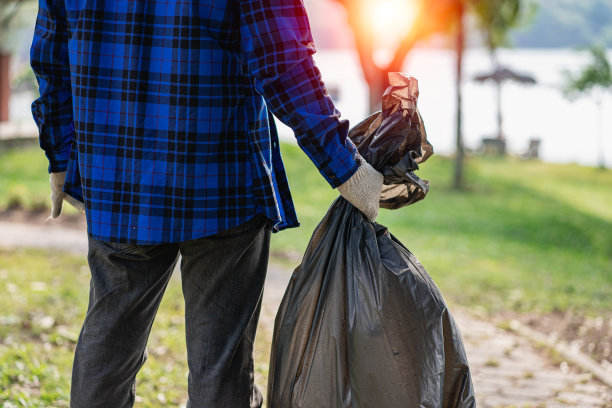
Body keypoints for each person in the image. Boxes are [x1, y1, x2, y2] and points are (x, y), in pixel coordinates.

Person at [30, 0, 383, 406]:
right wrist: (346, 168)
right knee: (220, 366)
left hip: (118, 184)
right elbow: (283, 60)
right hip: (220, 185)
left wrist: (60, 155)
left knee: (107, 348)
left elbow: (51, 52)